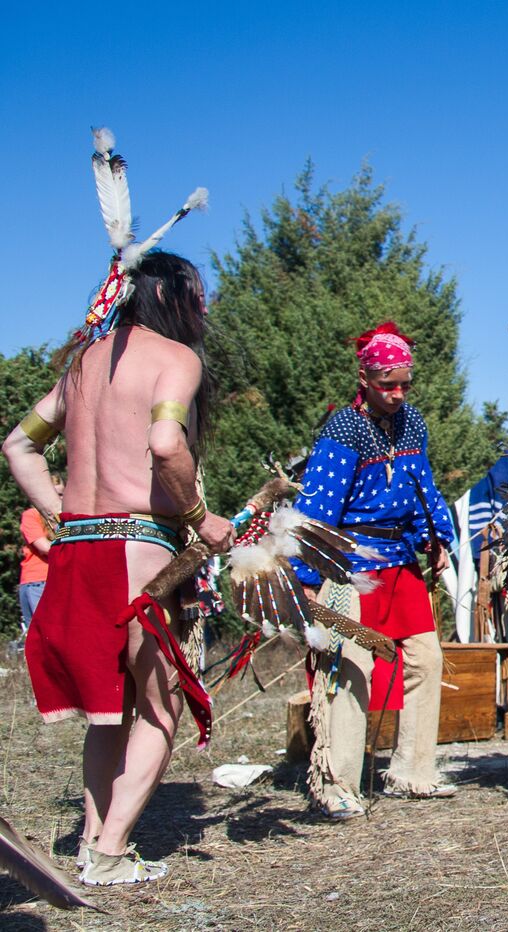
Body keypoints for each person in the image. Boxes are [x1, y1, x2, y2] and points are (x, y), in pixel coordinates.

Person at [1, 128, 232, 885]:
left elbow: (17, 446)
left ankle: (92, 844)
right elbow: (167, 446)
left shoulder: (81, 365)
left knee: (109, 711)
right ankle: (106, 854)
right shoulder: (176, 359)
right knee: (162, 709)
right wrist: (201, 520)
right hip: (141, 550)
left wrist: (65, 517)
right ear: (176, 299)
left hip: (78, 553)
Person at [292, 322, 460, 819]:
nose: (397, 392)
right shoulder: (344, 428)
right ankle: (337, 783)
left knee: (426, 661)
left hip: (401, 559)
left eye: (405, 382)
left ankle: (413, 770)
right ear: (364, 377)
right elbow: (317, 507)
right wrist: (307, 580)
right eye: (387, 383)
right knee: (354, 668)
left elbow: (423, 485)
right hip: (350, 565)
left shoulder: (413, 423)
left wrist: (439, 537)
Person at [17, 475, 64, 642]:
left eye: (62, 494)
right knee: (43, 636)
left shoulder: (64, 520)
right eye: (56, 494)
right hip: (38, 581)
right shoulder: (31, 515)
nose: (60, 499)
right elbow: (44, 547)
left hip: (57, 580)